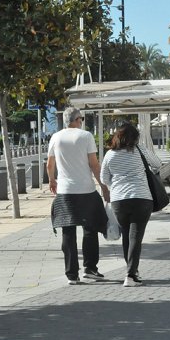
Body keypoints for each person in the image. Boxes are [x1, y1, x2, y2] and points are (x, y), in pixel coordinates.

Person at [47, 107, 109, 285]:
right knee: (90, 229)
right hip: (86, 190)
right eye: (80, 118)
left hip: (65, 191)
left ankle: (71, 274)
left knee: (68, 231)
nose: (81, 121)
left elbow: (50, 164)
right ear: (76, 120)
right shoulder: (85, 136)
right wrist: (103, 187)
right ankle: (90, 268)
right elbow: (94, 165)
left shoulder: (55, 137)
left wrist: (52, 181)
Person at [100, 123, 160, 287]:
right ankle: (131, 275)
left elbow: (104, 178)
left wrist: (117, 183)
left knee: (127, 235)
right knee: (136, 237)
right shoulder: (139, 151)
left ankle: (131, 271)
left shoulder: (110, 155)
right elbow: (158, 164)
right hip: (141, 198)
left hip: (119, 200)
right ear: (135, 138)